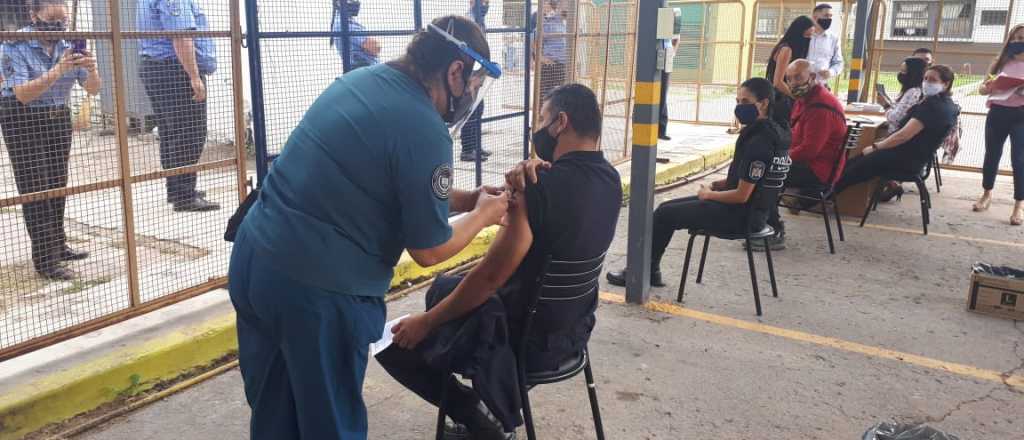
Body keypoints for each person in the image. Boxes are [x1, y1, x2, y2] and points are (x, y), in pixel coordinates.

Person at [228, 16, 506, 439]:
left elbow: (389, 178)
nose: (472, 95)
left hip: (256, 264)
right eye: (474, 83)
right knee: (331, 425)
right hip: (318, 293)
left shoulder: (362, 81)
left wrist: (468, 200)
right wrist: (484, 215)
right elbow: (429, 249)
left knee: (275, 415)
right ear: (455, 71)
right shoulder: (425, 127)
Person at [377, 83, 621, 440]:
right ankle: (490, 404)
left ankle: (481, 419)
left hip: (523, 345)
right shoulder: (611, 180)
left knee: (390, 339)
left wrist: (426, 323)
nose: (537, 128)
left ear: (561, 122)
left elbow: (490, 276)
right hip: (572, 333)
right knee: (448, 289)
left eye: (542, 119)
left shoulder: (539, 187)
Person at [607, 77, 791, 287]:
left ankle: (643, 272)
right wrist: (718, 184)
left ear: (764, 103)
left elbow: (742, 195)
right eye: (737, 101)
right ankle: (650, 270)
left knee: (665, 214)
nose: (739, 107)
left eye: (745, 102)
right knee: (665, 208)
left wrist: (709, 195)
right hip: (753, 212)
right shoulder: (773, 133)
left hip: (741, 217)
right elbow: (751, 181)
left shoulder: (760, 141)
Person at [1, 0, 101, 280]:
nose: (57, 27)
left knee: (57, 184)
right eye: (51, 21)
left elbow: (93, 90)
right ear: (33, 16)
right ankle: (46, 260)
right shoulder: (14, 45)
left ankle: (58, 245)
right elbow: (22, 94)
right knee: (36, 188)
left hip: (57, 116)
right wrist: (59, 69)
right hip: (23, 117)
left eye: (62, 21)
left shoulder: (68, 44)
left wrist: (92, 69)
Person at [755, 59, 846, 251]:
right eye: (789, 79)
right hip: (812, 164)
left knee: (764, 173)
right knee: (762, 163)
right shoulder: (807, 99)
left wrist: (777, 158)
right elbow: (794, 137)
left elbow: (808, 151)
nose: (792, 83)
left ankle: (774, 231)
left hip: (818, 170)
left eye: (798, 77)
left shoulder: (820, 107)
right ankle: (762, 223)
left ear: (812, 77)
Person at [137, 0, 219, 212]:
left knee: (171, 133)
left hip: (158, 67)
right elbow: (181, 36)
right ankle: (184, 195)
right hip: (175, 70)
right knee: (190, 133)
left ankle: (177, 189)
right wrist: (194, 76)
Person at [834, 65, 959, 195]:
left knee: (855, 167)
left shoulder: (932, 106)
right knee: (856, 161)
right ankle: (831, 193)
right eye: (925, 78)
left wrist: (876, 147)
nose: (926, 83)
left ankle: (828, 194)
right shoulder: (948, 105)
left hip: (905, 159)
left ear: (946, 84)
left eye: (932, 80)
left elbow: (904, 135)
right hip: (915, 159)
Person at [975, 24, 1024, 225]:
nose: (1019, 42)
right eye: (1017, 38)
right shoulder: (1000, 62)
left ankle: (1018, 205)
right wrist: (987, 87)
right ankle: (986, 194)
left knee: (1019, 160)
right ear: (1010, 40)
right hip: (998, 112)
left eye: (1023, 39)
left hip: (1021, 115)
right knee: (992, 154)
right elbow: (981, 88)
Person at [765, 15, 815, 128]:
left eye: (810, 36)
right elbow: (778, 82)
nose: (808, 40)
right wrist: (797, 98)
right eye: (806, 36)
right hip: (781, 100)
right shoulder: (786, 50)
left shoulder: (793, 48)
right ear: (798, 33)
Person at [459, 0, 491, 162]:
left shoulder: (480, 20)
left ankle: (476, 146)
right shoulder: (467, 21)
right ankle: (467, 149)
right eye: (483, 1)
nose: (486, 5)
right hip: (468, 69)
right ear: (472, 2)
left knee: (479, 108)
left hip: (478, 69)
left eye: (487, 2)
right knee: (470, 109)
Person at [533, 0, 568, 100]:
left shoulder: (570, 24)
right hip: (550, 66)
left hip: (564, 66)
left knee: (562, 97)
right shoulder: (549, 21)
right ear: (558, 6)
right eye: (565, 3)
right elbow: (535, 42)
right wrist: (541, 58)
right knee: (546, 97)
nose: (568, 7)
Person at [331, 0, 380, 71]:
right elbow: (374, 48)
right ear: (339, 3)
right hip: (363, 70)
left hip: (364, 68)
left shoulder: (346, 21)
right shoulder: (344, 23)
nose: (356, 2)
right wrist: (372, 42)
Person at [658, 8, 681, 141]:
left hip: (666, 57)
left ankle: (661, 129)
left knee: (662, 93)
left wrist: (672, 53)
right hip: (655, 57)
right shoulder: (652, 19)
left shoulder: (671, 17)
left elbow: (677, 39)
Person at [808, 4, 843, 88]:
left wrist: (830, 72)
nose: (829, 19)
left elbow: (838, 63)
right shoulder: (805, 35)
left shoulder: (834, 39)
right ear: (815, 17)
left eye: (831, 16)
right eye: (826, 16)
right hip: (801, 86)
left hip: (821, 85)